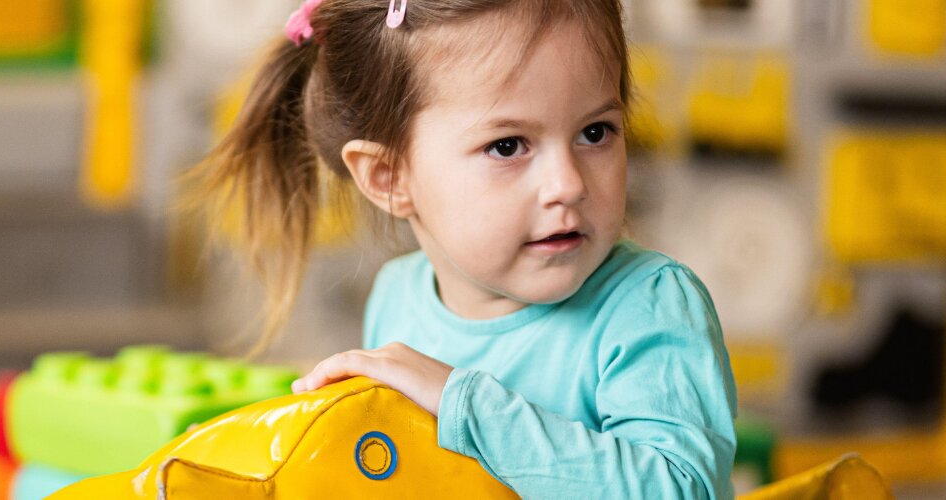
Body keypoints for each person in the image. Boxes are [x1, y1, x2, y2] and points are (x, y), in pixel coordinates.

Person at [191, 0, 737, 497]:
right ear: (388, 177)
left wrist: (464, 404)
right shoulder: (397, 300)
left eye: (595, 132)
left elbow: (682, 489)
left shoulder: (648, 305)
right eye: (508, 145)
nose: (568, 184)